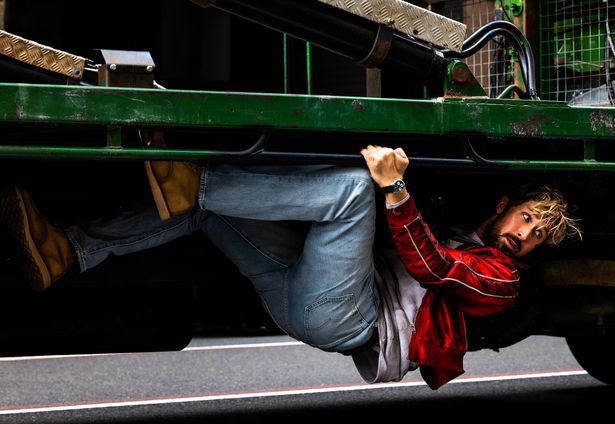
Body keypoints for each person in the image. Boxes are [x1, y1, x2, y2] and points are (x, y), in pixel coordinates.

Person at [0, 145, 582, 390]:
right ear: (505, 206)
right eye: (528, 219)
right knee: (207, 212)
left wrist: (394, 188)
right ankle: (69, 252)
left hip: (349, 318)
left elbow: (430, 266)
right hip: (306, 296)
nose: (524, 238)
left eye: (538, 238)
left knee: (359, 190)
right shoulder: (466, 232)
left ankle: (195, 183)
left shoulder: (501, 280)